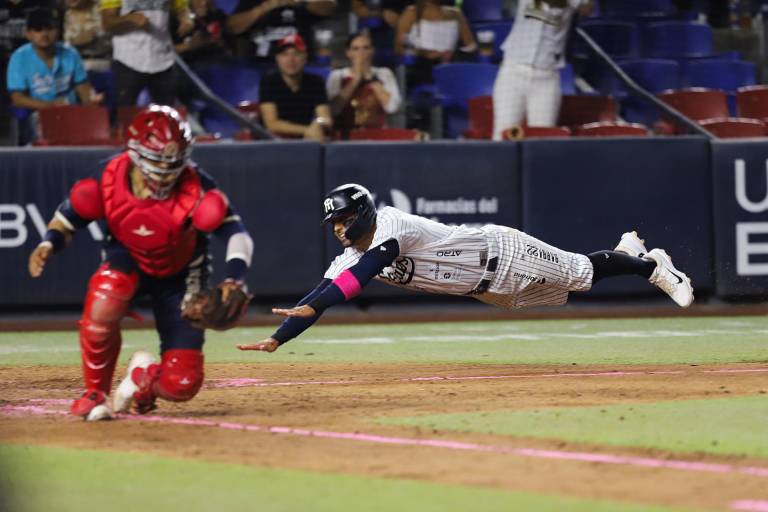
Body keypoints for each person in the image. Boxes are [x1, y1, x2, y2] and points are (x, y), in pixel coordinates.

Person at [237, 183, 694, 353]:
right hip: (489, 293)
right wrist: (279, 338)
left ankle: (653, 267)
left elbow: (358, 277)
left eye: (341, 218)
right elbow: (319, 295)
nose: (337, 228)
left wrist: (314, 305)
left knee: (580, 273)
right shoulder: (349, 256)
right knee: (582, 283)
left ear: (361, 213)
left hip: (501, 251)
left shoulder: (391, 224)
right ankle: (628, 248)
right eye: (332, 223)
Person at [28, 105, 254, 421]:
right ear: (134, 152)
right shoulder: (107, 176)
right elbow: (68, 219)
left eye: (173, 164)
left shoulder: (198, 184)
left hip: (184, 272)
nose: (165, 173)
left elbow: (238, 235)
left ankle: (141, 380)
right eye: (157, 162)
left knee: (183, 384)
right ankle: (95, 393)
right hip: (128, 257)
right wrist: (48, 244)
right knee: (106, 297)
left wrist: (234, 278)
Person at [492, 0, 593, 141]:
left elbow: (586, 9)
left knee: (543, 139)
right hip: (513, 71)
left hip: (546, 77)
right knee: (504, 135)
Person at [7, 6, 103, 112]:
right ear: (28, 34)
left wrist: (91, 101)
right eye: (38, 30)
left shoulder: (71, 53)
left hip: (70, 111)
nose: (44, 34)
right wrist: (50, 106)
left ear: (57, 31)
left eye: (49, 28)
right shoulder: (19, 58)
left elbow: (83, 88)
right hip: (38, 113)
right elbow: (17, 98)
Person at [100, 0, 194, 107]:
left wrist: (186, 19)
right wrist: (129, 18)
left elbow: (182, 8)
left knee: (165, 116)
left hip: (163, 60)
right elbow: (107, 23)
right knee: (125, 117)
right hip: (128, 60)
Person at [326, 31, 401, 138]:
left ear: (372, 51)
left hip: (377, 134)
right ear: (348, 53)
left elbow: (392, 108)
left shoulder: (384, 74)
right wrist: (356, 79)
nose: (361, 53)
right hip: (344, 135)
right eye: (356, 49)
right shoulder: (337, 76)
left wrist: (370, 79)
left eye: (366, 48)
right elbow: (333, 109)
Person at [258, 34, 331, 140]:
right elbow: (272, 124)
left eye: (296, 54)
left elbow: (325, 118)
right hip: (274, 144)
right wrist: (307, 130)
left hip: (307, 141)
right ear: (277, 59)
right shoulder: (269, 82)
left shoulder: (316, 82)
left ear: (305, 57)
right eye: (285, 54)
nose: (290, 59)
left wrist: (318, 124)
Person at [394, 0, 477, 87]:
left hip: (449, 66)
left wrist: (454, 54)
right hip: (421, 65)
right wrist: (425, 53)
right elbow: (399, 48)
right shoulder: (411, 13)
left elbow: (471, 46)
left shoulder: (455, 14)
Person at [226, 0, 335, 64]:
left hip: (300, 66)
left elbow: (330, 8)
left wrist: (298, 2)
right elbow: (233, 27)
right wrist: (263, 9)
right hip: (261, 66)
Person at [63, 0, 111, 71]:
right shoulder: (67, 14)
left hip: (101, 63)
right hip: (75, 66)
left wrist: (81, 40)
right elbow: (68, 44)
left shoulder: (102, 8)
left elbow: (96, 36)